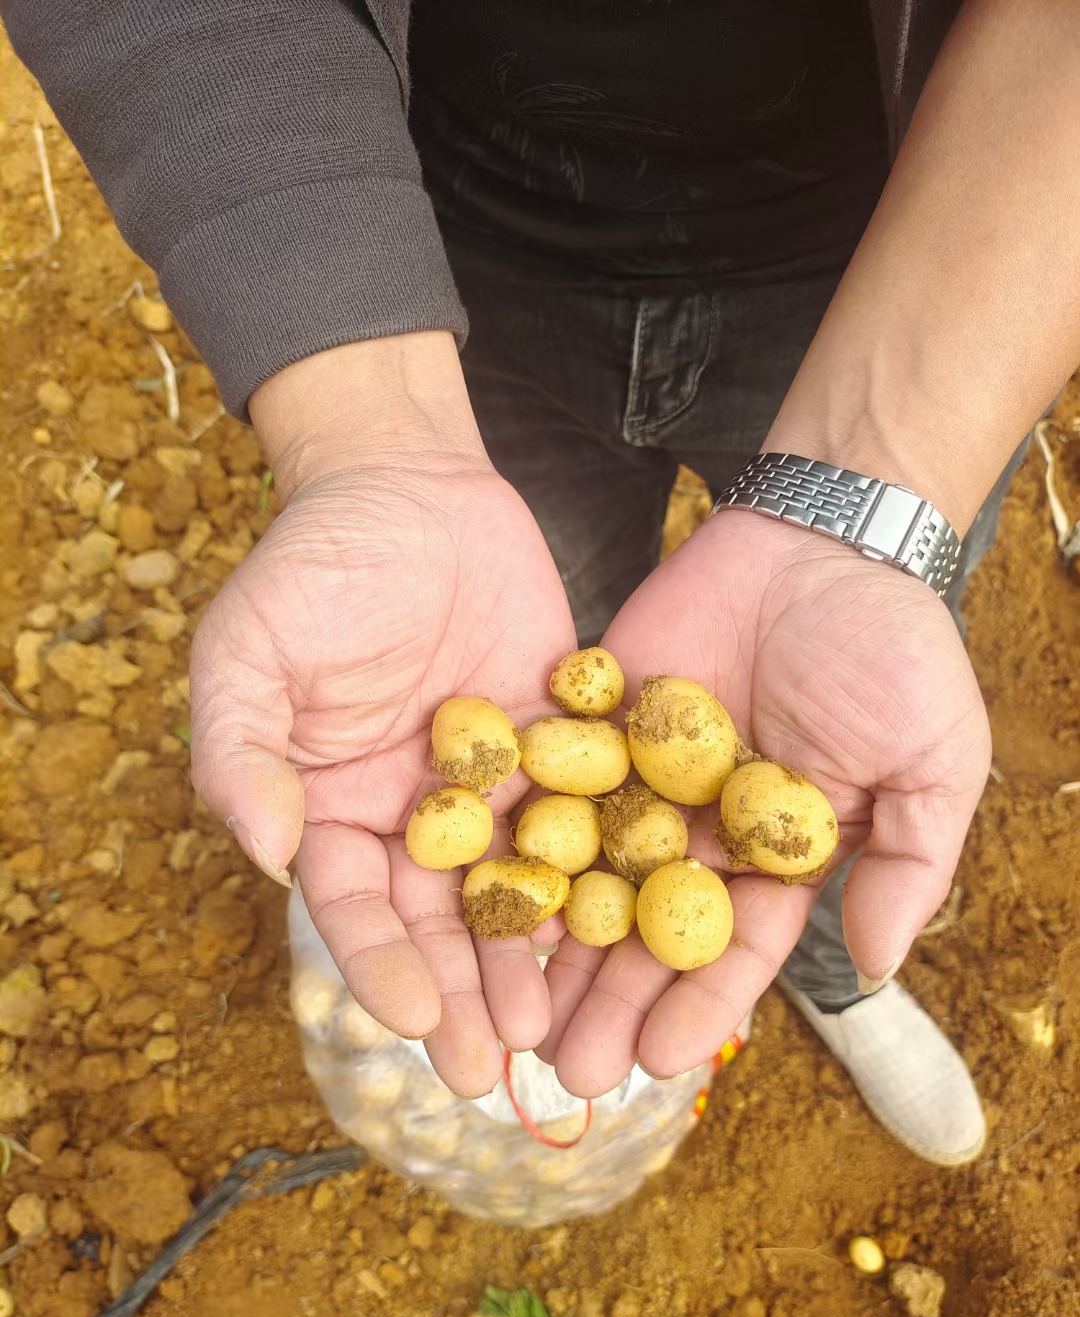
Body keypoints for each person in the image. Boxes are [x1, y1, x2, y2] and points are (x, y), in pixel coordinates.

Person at [9, 0, 1079, 1166]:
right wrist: (368, 427)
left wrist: (893, 475)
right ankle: (522, 973)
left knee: (835, 726)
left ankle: (836, 981)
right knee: (529, 644)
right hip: (439, 256)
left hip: (934, 251)